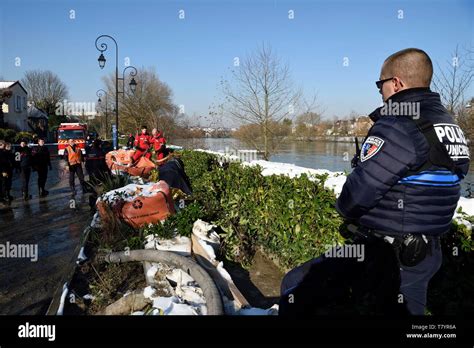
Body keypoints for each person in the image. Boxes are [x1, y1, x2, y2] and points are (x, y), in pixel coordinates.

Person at [334, 48, 470, 315]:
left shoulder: (397, 123)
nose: (380, 92)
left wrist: (345, 209)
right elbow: (451, 176)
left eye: (380, 84)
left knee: (299, 285)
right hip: (427, 250)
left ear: (396, 83)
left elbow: (360, 192)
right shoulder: (450, 125)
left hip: (391, 250)